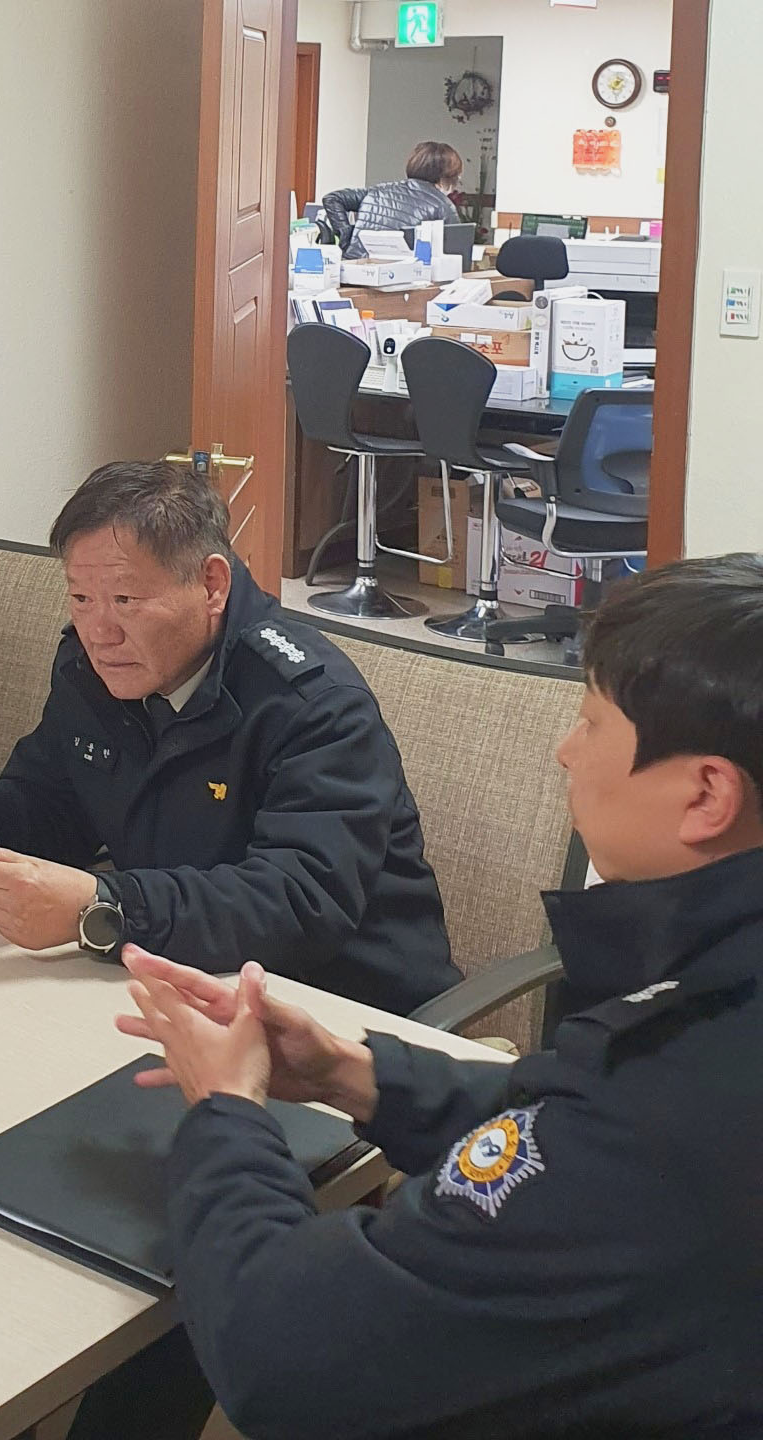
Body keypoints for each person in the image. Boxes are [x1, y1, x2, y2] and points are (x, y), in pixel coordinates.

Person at [102, 554, 763, 1439]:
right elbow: (565, 1113)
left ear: (707, 792)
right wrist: (350, 1072)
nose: (565, 750)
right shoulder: (707, 999)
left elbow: (285, 1356)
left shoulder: (676, 1110)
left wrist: (225, 1110)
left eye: (591, 722)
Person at [0, 460, 458, 1015]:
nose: (99, 633)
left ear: (212, 585)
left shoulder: (313, 705)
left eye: (125, 600)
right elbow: (57, 802)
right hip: (184, 987)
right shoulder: (92, 672)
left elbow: (298, 904)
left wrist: (104, 906)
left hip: (348, 1011)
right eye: (81, 599)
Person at [320, 140, 463, 259]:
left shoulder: (377, 191)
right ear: (448, 176)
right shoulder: (443, 205)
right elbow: (458, 255)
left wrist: (346, 237)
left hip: (353, 264)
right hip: (400, 274)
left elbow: (332, 198)